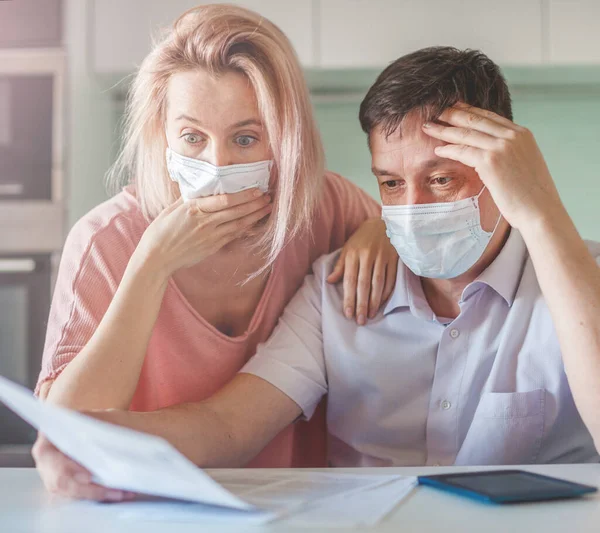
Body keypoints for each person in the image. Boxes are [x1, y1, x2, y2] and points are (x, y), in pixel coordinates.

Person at [36, 45, 600, 498]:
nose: (412, 209)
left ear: (504, 169)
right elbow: (228, 427)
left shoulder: (580, 280)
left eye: (442, 179)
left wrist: (541, 211)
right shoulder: (336, 292)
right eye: (391, 183)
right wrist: (95, 439)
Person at [31, 4, 401, 500]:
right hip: (141, 507)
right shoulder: (106, 240)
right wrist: (152, 264)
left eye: (245, 139)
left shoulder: (328, 210)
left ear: (286, 138)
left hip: (297, 505)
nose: (217, 164)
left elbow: (410, 231)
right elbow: (66, 435)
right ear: (161, 133)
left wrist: (385, 231)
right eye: (192, 138)